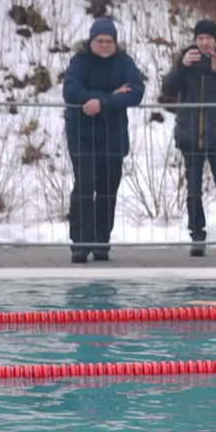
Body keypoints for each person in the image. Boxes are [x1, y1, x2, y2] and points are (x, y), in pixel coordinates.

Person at [62, 17, 145, 264]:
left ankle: (101, 244)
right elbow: (71, 91)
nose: (104, 45)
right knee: (84, 189)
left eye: (109, 41)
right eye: (100, 41)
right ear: (91, 41)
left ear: (115, 43)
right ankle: (80, 244)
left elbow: (136, 92)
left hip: (113, 137)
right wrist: (110, 96)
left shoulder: (125, 63)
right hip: (82, 136)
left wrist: (102, 102)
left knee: (108, 191)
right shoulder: (79, 61)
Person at [161, 19, 216, 258]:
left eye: (209, 38)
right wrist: (181, 66)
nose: (205, 42)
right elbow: (167, 87)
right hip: (190, 134)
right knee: (193, 190)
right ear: (196, 40)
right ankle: (197, 237)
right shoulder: (186, 59)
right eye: (201, 38)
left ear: (215, 40)